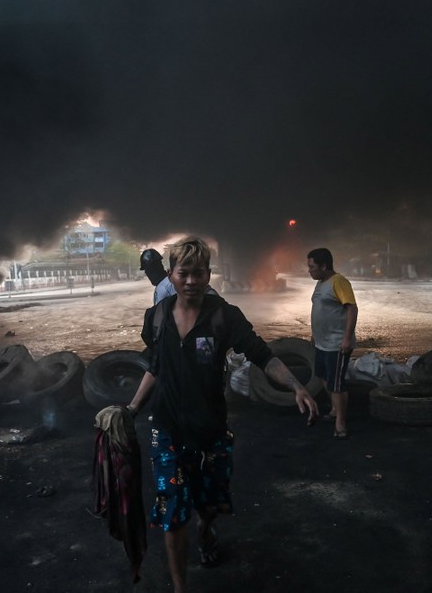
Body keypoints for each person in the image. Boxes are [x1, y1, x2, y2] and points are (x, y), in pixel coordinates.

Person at [127, 236, 318, 593]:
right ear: (171, 275)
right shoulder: (156, 319)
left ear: (208, 275)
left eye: (198, 273)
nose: (190, 281)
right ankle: (180, 588)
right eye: (183, 273)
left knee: (210, 504)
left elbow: (263, 355)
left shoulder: (224, 317)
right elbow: (156, 366)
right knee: (173, 518)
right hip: (166, 431)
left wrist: (297, 386)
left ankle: (206, 527)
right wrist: (131, 409)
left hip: (210, 430)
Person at [307, 247, 358, 439]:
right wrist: (314, 333)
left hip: (337, 344)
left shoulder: (339, 282)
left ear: (324, 265)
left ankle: (341, 423)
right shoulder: (321, 283)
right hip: (322, 342)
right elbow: (320, 309)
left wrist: (346, 338)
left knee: (337, 384)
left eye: (312, 266)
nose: (309, 270)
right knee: (323, 376)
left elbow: (352, 309)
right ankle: (336, 409)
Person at [139, 247, 216, 305]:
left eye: (148, 270)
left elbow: (159, 320)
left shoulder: (163, 288)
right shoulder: (173, 280)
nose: (147, 274)